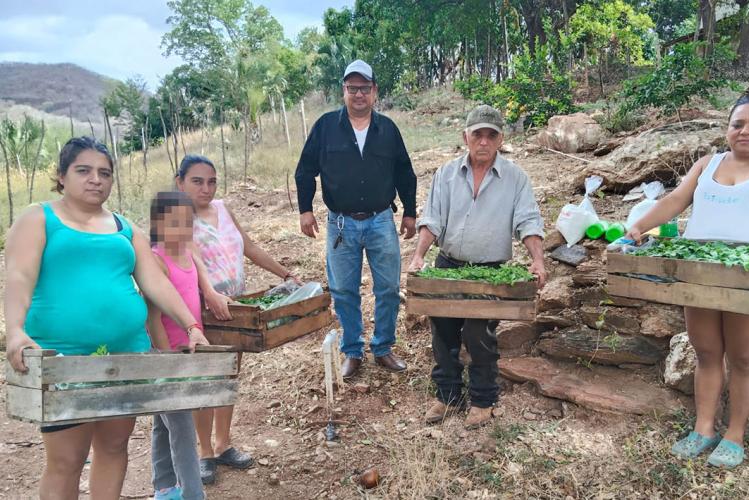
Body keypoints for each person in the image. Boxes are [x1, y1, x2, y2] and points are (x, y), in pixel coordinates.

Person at [4, 137, 206, 500]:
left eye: (104, 173)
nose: (95, 179)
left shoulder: (124, 228)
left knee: (114, 447)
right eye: (83, 171)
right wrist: (15, 330)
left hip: (126, 355)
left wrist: (191, 325)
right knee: (67, 458)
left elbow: (155, 282)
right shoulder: (39, 218)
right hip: (64, 360)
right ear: (62, 176)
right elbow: (19, 277)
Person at [626, 88, 749, 468]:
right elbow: (674, 201)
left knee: (745, 356)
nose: (746, 131)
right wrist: (638, 227)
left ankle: (734, 434)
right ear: (727, 129)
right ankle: (703, 428)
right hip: (700, 271)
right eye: (738, 124)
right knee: (705, 352)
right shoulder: (708, 164)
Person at [408, 105, 548, 429]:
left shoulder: (515, 178)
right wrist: (418, 256)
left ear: (501, 139)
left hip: (492, 271)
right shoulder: (445, 174)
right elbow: (432, 221)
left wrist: (538, 259)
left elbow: (528, 222)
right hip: (448, 266)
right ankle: (448, 396)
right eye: (477, 134)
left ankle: (484, 400)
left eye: (491, 135)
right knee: (442, 332)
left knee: (478, 333)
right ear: (465, 137)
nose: (483, 141)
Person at [176, 154, 297, 484]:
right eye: (197, 181)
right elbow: (187, 261)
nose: (206, 188)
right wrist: (210, 295)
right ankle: (204, 452)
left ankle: (224, 443)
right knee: (205, 380)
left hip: (237, 309)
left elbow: (249, 247)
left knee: (229, 376)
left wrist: (284, 272)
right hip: (205, 312)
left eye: (212, 181)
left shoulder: (223, 208)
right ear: (180, 183)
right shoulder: (178, 218)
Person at [295, 59, 417, 379]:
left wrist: (411, 211)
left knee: (388, 287)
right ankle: (352, 350)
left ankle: (383, 348)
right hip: (340, 224)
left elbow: (405, 172)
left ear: (375, 91)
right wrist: (305, 209)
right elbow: (305, 169)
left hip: (380, 221)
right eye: (352, 88)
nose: (358, 94)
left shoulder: (388, 129)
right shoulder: (325, 127)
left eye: (364, 88)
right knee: (344, 290)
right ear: (343, 91)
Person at [146, 191, 209, 500]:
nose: (182, 230)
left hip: (188, 351)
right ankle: (192, 493)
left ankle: (164, 486)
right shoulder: (156, 260)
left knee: (164, 419)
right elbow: (153, 318)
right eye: (174, 224)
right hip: (168, 355)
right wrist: (166, 360)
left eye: (187, 223)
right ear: (158, 223)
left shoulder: (187, 253)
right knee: (182, 428)